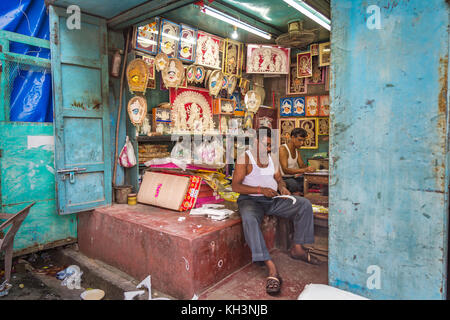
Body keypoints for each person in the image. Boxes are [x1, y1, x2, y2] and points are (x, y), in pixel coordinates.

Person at [232, 127, 321, 296]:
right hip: (251, 200)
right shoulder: (245, 158)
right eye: (265, 145)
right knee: (250, 219)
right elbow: (235, 186)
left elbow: (278, 179)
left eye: (270, 146)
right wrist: (260, 190)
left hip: (272, 199)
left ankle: (297, 248)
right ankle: (269, 265)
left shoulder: (272, 158)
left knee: (303, 204)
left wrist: (282, 188)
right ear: (256, 141)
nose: (267, 149)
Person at [279, 128, 316, 194]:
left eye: (303, 140)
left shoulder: (297, 151)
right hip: (283, 179)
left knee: (310, 181)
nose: (302, 143)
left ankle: (297, 193)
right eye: (300, 140)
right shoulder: (283, 149)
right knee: (294, 184)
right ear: (292, 138)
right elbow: (285, 170)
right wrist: (304, 170)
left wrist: (309, 168)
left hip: (292, 177)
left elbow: (301, 165)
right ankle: (296, 193)